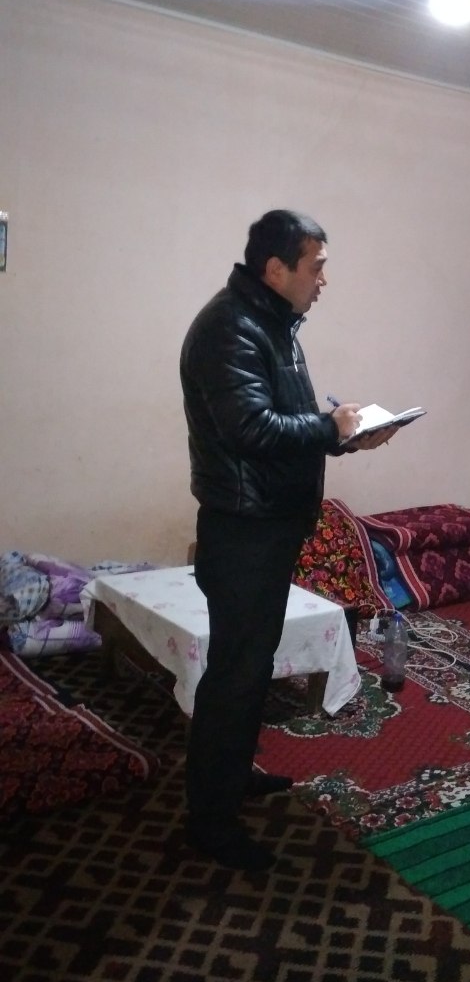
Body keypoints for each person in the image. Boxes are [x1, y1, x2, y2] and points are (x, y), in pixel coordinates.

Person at [180, 208, 394, 870]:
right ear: (276, 269)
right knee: (235, 675)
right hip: (244, 532)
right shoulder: (231, 328)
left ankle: (231, 777)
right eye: (316, 267)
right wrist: (330, 429)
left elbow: (284, 423)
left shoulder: (270, 324)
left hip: (266, 525)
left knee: (249, 667)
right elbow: (251, 430)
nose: (324, 280)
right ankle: (210, 823)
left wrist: (345, 436)